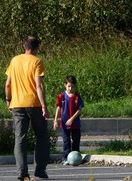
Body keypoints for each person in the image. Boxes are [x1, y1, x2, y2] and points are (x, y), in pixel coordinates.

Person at [5, 36, 50, 181]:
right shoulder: (37, 61)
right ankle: (40, 170)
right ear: (37, 48)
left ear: (24, 46)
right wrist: (44, 105)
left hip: (17, 104)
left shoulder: (14, 60)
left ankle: (22, 172)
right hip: (34, 104)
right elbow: (39, 85)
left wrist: (8, 99)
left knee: (20, 139)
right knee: (41, 137)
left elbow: (7, 84)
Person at [53, 75, 84, 165]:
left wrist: (72, 119)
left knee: (76, 141)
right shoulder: (61, 96)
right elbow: (58, 108)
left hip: (75, 124)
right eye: (69, 86)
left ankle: (76, 157)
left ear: (75, 86)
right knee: (66, 142)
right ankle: (66, 158)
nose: (70, 88)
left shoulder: (77, 97)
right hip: (64, 123)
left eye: (73, 86)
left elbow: (79, 109)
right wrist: (55, 120)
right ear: (65, 85)